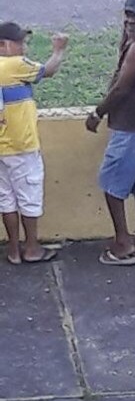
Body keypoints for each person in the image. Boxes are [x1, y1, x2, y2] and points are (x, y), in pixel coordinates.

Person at [85, 0, 135, 265]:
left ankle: (123, 244)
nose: (130, 21)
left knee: (112, 186)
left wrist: (98, 113)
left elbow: (121, 88)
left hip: (132, 130)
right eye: (127, 15)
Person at [0, 22, 68, 264]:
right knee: (28, 196)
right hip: (22, 146)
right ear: (4, 45)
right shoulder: (14, 65)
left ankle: (13, 249)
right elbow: (47, 71)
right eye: (20, 43)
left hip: (1, 148)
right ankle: (31, 248)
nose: (24, 47)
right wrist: (58, 50)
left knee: (6, 199)